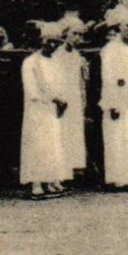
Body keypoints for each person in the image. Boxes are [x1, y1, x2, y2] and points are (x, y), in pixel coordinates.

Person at [20, 22, 71, 199]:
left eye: (56, 43)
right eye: (50, 41)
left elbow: (60, 85)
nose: (53, 46)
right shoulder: (30, 62)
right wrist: (51, 99)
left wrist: (61, 100)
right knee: (38, 145)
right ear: (42, 40)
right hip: (37, 110)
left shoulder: (56, 62)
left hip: (52, 110)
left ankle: (52, 180)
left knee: (53, 145)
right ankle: (36, 183)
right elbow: (32, 90)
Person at [98, 5, 128, 190]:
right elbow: (109, 77)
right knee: (116, 138)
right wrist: (113, 103)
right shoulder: (110, 49)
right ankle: (116, 178)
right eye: (127, 26)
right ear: (118, 27)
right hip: (117, 99)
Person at [54, 13, 90, 183]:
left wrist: (83, 99)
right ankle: (60, 172)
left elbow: (80, 81)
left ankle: (71, 171)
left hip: (75, 97)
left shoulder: (77, 56)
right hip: (62, 98)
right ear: (65, 34)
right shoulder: (57, 55)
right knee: (61, 133)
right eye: (74, 34)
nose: (77, 38)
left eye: (80, 35)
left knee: (73, 133)